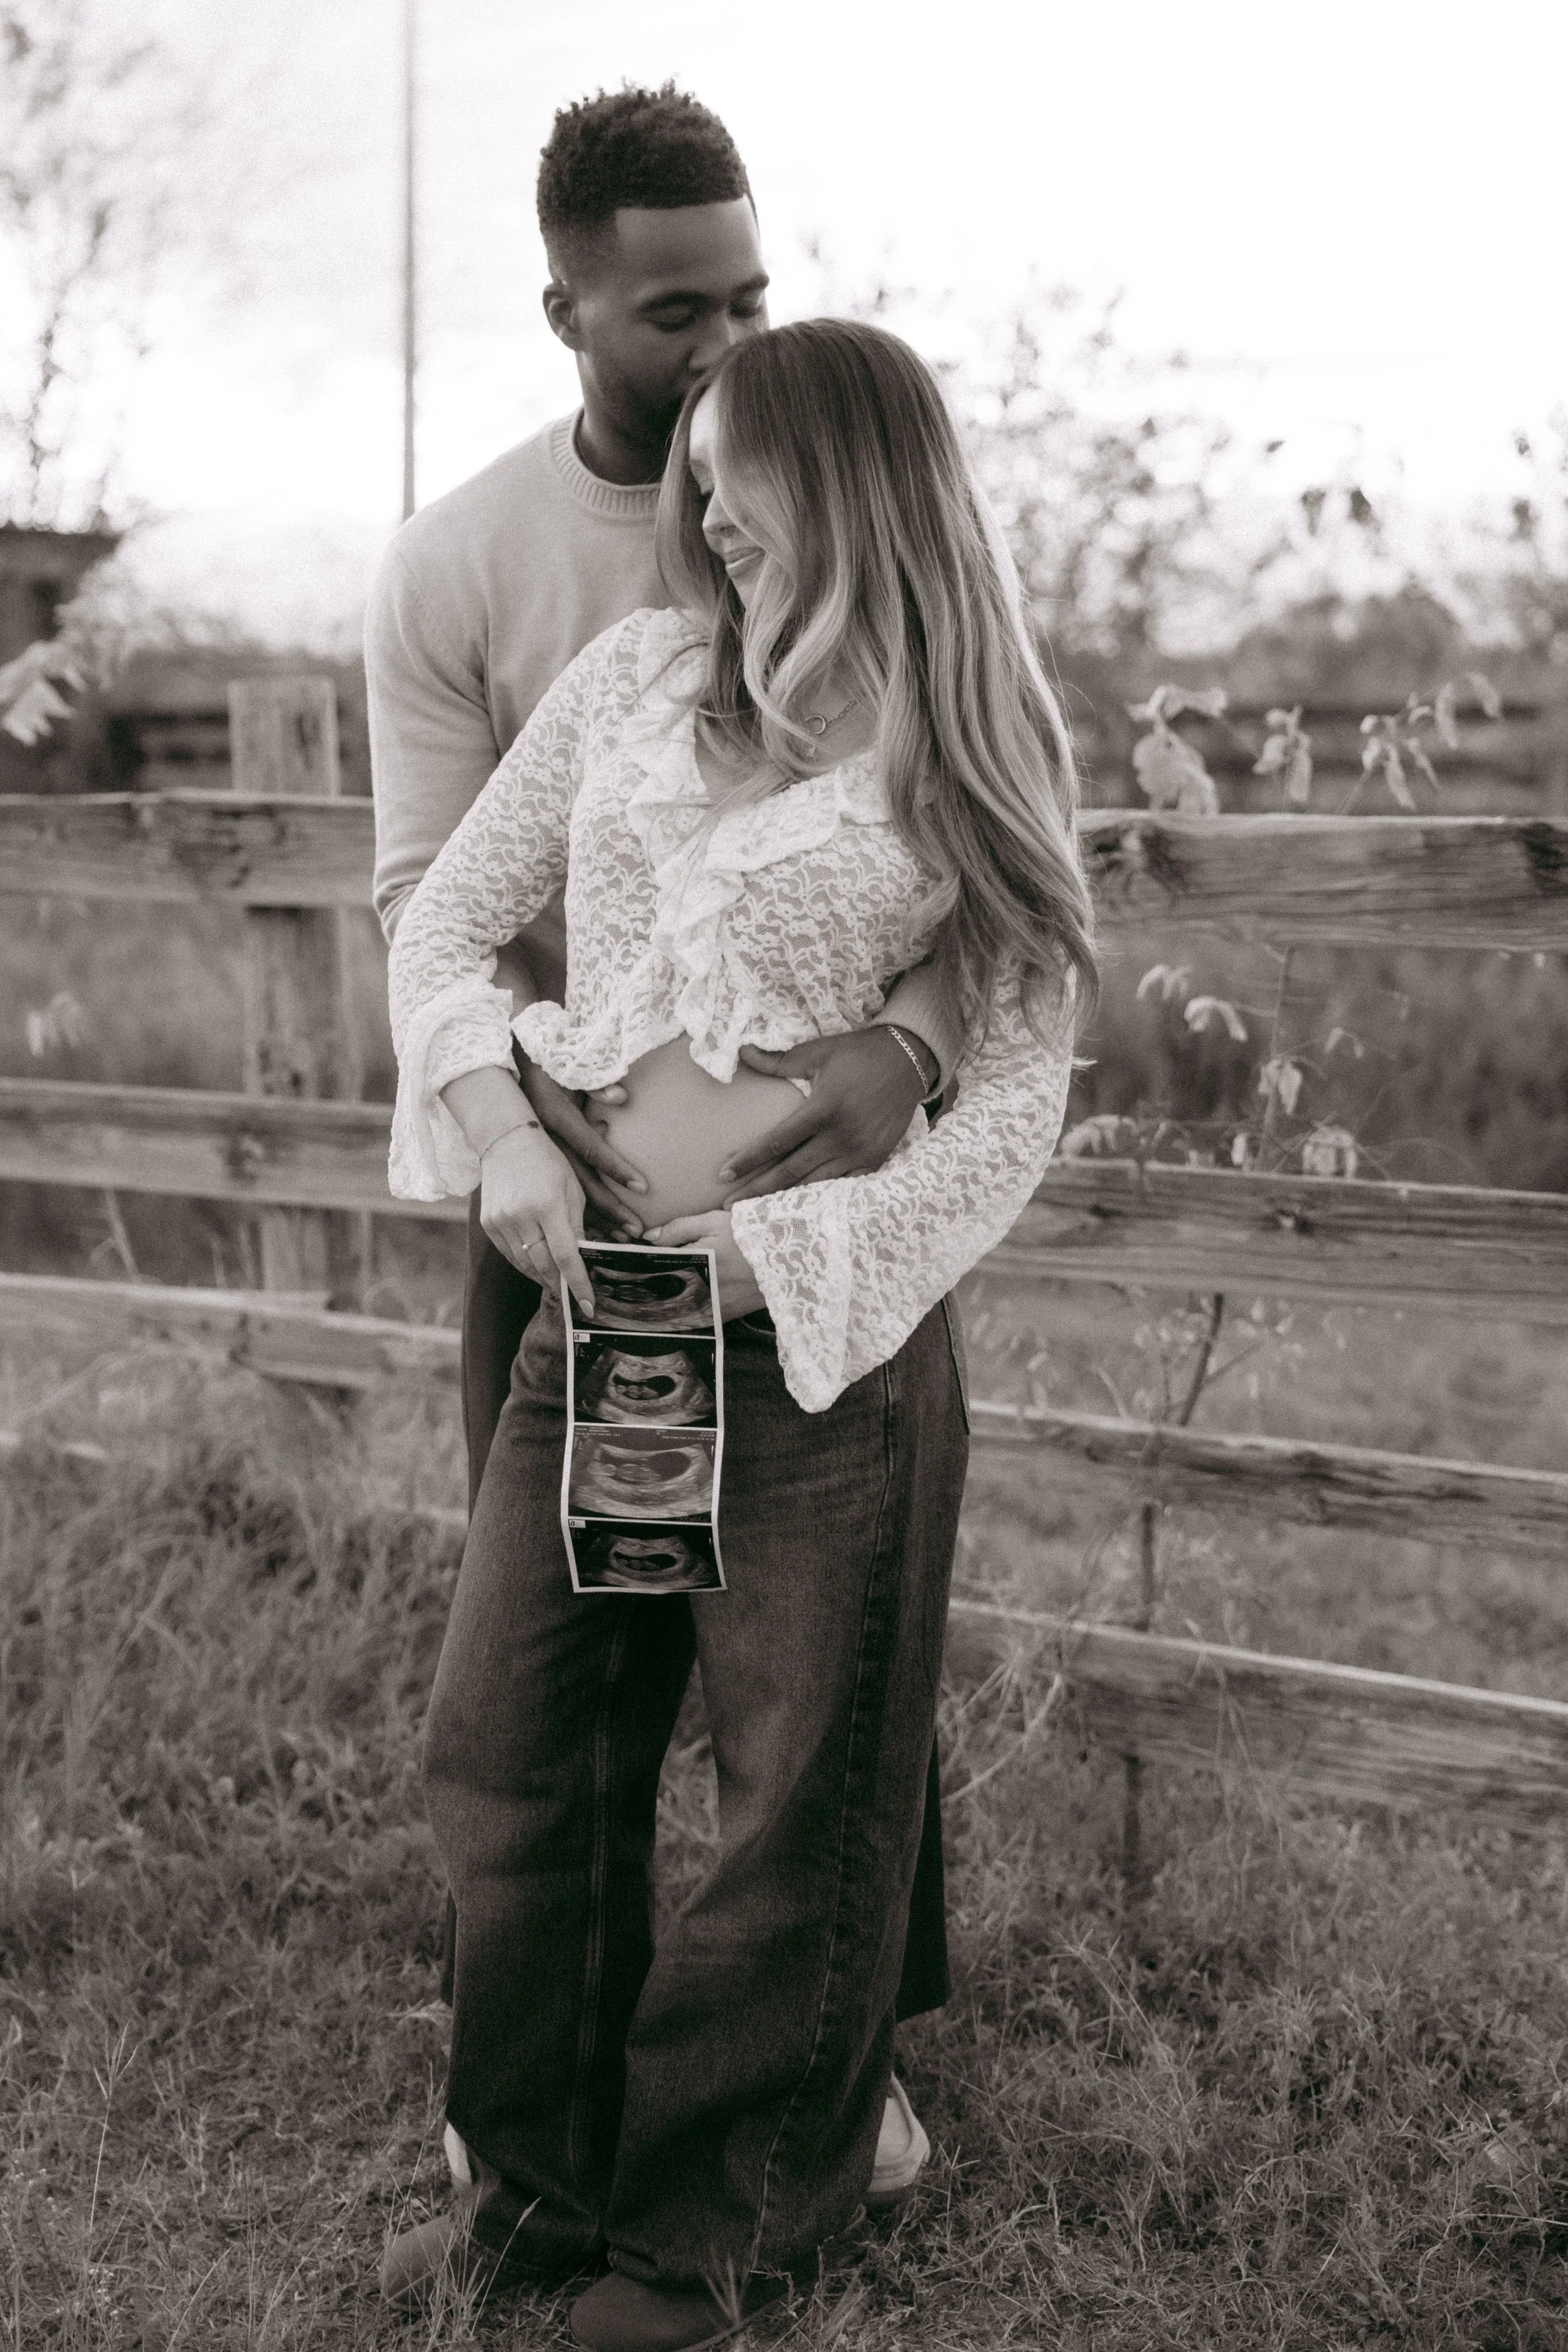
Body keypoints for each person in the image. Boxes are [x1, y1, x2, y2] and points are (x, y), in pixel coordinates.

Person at [380, 317, 1095, 2350]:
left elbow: (1021, 1093)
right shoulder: (635, 679)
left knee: (804, 1786)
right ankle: (529, 2189)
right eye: (695, 502)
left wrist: (775, 1264)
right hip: (592, 1313)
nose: (707, 533)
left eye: (740, 503)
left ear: (850, 490)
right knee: (513, 1748)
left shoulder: (964, 743)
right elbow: (442, 920)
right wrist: (501, 1130)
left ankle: (713, 2239)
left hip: (822, 1349)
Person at [365, 85, 958, 2188]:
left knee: (811, 1697)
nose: (724, 352)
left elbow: (989, 920)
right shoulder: (478, 571)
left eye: (755, 303)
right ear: (569, 311)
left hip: (795, 1232)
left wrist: (902, 1048)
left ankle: (808, 2084)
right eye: (673, 316)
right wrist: (508, 1123)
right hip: (556, 1192)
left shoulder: (876, 553)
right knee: (551, 1696)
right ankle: (546, 2108)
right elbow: (431, 890)